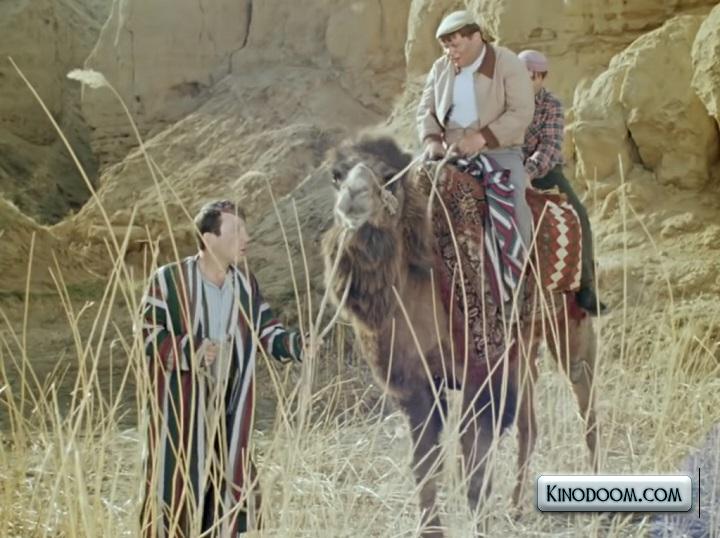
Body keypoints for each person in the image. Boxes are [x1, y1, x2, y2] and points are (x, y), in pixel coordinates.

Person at [139, 200, 305, 537]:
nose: (247, 237)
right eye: (236, 230)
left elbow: (266, 329)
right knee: (177, 485)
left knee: (234, 483)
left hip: (230, 406)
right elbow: (147, 333)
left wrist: (297, 345)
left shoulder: (244, 283)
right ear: (208, 238)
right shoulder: (169, 280)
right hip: (182, 410)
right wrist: (191, 349)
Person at [416, 9, 535, 311]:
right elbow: (426, 110)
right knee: (409, 198)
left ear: (476, 37)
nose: (450, 52)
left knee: (512, 207)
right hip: (451, 154)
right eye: (446, 46)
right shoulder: (441, 67)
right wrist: (432, 141)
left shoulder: (507, 62)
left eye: (455, 44)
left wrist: (481, 138)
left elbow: (521, 111)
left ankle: (515, 292)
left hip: (499, 152)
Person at [518, 49, 608, 315]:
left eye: (529, 77)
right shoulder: (505, 102)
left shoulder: (552, 105)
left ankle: (585, 287)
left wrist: (527, 172)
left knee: (577, 215)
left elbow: (548, 147)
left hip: (544, 172)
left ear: (540, 77)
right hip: (508, 167)